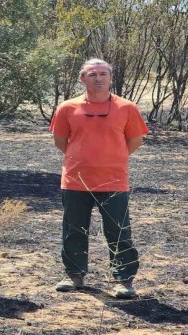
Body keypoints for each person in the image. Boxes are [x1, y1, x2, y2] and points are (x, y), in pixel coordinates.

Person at [49, 58, 149, 299]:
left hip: (114, 181)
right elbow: (60, 141)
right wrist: (82, 159)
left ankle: (124, 280)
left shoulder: (127, 108)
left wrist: (111, 157)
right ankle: (74, 275)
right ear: (82, 79)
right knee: (73, 229)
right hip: (75, 181)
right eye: (92, 74)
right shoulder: (67, 108)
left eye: (103, 74)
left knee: (118, 230)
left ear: (110, 78)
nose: (98, 78)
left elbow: (135, 140)